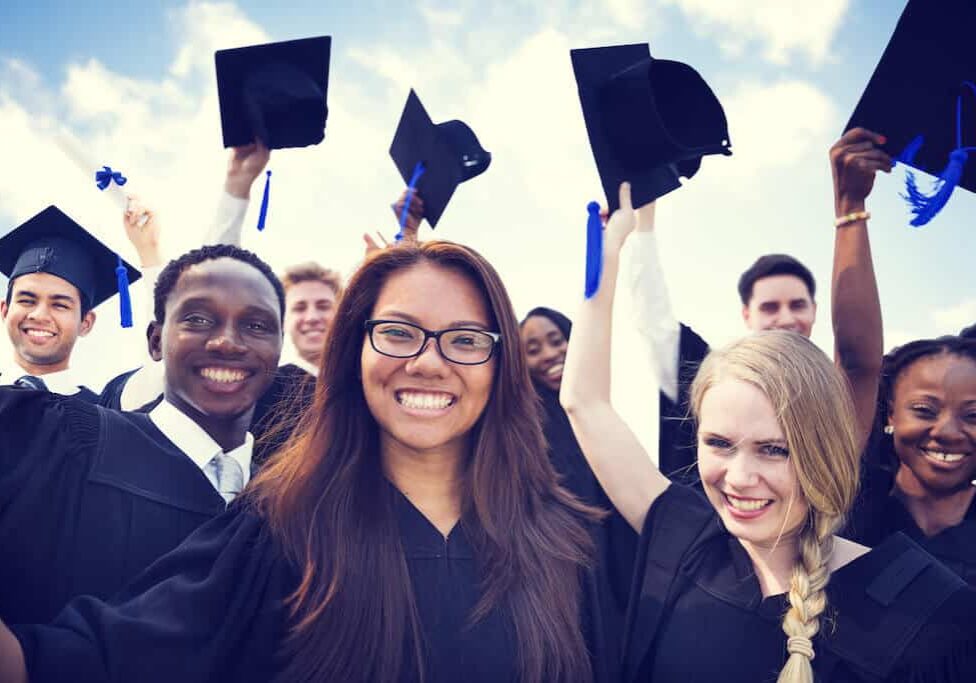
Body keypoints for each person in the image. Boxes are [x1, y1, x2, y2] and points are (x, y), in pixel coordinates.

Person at [0, 240, 623, 683]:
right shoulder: (282, 527)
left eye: (465, 339)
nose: (430, 362)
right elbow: (101, 654)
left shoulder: (567, 542)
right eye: (398, 332)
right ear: (353, 352)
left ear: (500, 364)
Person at [560, 182, 976, 681]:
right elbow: (583, 402)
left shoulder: (928, 615)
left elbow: (860, 359)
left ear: (827, 450)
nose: (739, 478)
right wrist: (609, 255)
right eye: (718, 443)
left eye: (774, 450)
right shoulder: (687, 538)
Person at [0, 244, 284, 625]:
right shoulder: (68, 439)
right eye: (198, 319)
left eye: (257, 325)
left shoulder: (292, 506)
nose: (227, 342)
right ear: (155, 341)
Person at [634, 128, 887, 481]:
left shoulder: (831, 403)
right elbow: (652, 322)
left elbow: (859, 362)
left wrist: (850, 207)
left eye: (797, 305)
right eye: (722, 443)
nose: (786, 318)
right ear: (747, 315)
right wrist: (637, 222)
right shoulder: (710, 383)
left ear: (815, 311)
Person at [846, 336, 976, 585]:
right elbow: (856, 360)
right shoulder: (850, 510)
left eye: (973, 415)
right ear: (891, 413)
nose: (947, 432)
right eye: (924, 410)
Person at [0, 206, 141, 400]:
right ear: (4, 310)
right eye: (27, 300)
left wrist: (150, 250)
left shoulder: (104, 418)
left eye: (60, 305)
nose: (39, 315)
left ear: (86, 323)